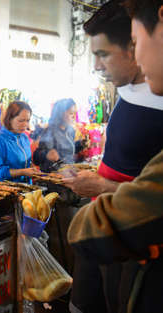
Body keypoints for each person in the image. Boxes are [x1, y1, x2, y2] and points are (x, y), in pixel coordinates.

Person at [64, 2, 163, 313]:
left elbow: (152, 200)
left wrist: (103, 187)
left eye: (103, 54)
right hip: (110, 234)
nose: (96, 66)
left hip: (131, 245)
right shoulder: (129, 92)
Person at [0, 101, 40, 183]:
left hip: (26, 189)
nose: (25, 124)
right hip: (6, 190)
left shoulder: (24, 137)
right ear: (10, 119)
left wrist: (32, 170)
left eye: (27, 120)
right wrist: (23, 172)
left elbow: (26, 162)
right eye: (21, 120)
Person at [33, 98, 86, 172]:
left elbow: (66, 151)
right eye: (71, 113)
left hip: (68, 173)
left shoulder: (70, 131)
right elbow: (36, 157)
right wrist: (46, 155)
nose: (74, 117)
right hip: (53, 176)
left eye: (75, 113)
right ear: (60, 114)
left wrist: (81, 144)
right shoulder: (50, 131)